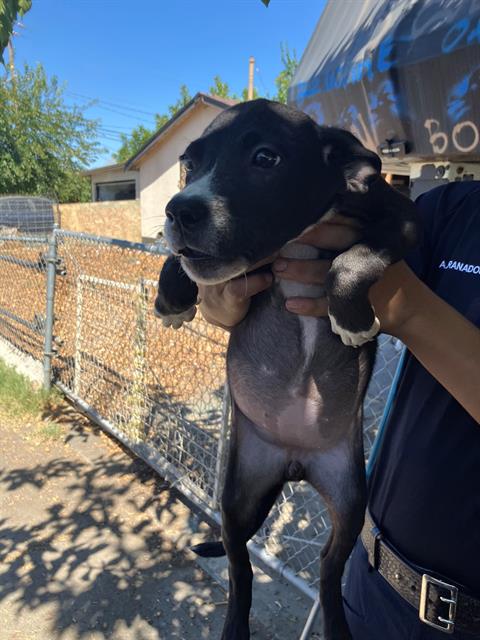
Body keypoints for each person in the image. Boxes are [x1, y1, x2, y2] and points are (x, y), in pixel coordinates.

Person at [197, 181, 480, 639]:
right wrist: (223, 290)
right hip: (371, 588)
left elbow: (391, 295)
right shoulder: (456, 206)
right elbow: (351, 255)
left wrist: (408, 310)